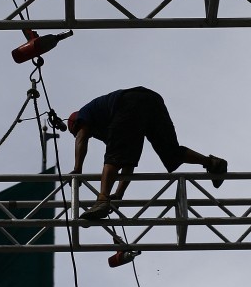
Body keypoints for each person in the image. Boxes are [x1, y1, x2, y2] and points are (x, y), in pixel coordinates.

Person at [68, 87, 229, 220]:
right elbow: (127, 162)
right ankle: (213, 163)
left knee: (112, 158)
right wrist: (119, 194)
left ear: (77, 123)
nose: (83, 133)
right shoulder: (110, 123)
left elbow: (82, 140)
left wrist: (77, 169)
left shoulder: (84, 114)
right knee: (171, 152)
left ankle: (102, 199)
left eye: (77, 131)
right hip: (152, 101)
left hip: (129, 102)